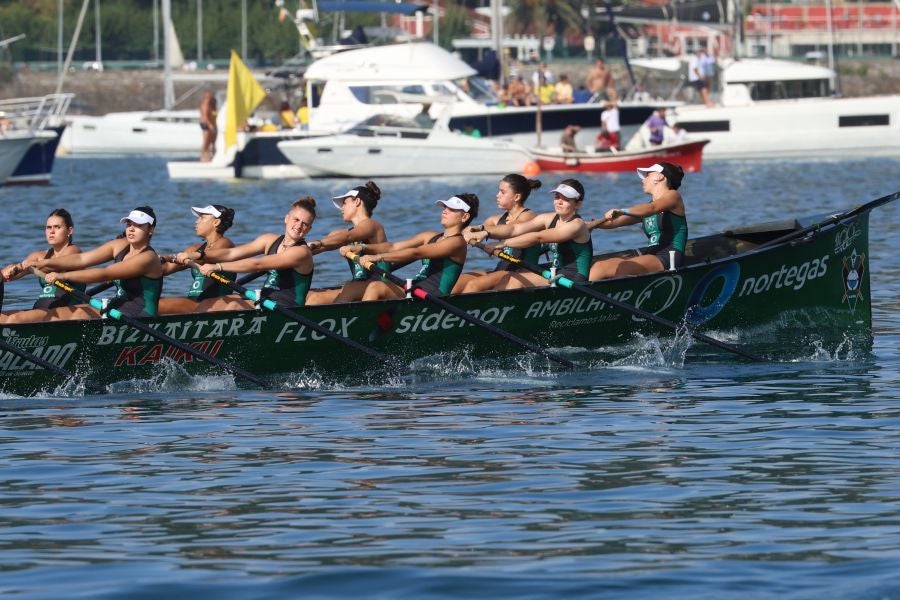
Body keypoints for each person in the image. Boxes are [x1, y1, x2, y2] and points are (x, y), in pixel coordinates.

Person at [3, 207, 163, 322]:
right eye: (129, 225)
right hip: (117, 306)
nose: (131, 229)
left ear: (151, 230)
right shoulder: (119, 245)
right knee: (76, 312)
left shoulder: (148, 258)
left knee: (78, 313)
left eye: (138, 226)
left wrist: (62, 275)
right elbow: (82, 259)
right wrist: (37, 263)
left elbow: (105, 274)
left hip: (140, 315)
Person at [177, 198, 318, 311]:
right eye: (296, 219)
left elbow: (257, 264)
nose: (299, 226)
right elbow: (231, 253)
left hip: (285, 308)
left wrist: (217, 267)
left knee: (234, 306)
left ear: (309, 229)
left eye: (305, 224)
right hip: (265, 300)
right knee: (211, 303)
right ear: (286, 218)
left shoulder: (301, 252)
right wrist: (197, 255)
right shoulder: (269, 239)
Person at [338, 194, 480, 300]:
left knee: (376, 287)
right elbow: (393, 246)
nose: (445, 210)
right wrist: (363, 248)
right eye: (445, 207)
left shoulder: (457, 243)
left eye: (452, 209)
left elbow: (416, 253)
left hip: (432, 297)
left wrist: (378, 257)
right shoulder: (429, 236)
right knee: (351, 287)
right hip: (413, 288)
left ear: (465, 217)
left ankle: (361, 327)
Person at [464, 179, 592, 289]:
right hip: (556, 272)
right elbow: (514, 229)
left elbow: (538, 237)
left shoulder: (577, 225)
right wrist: (482, 230)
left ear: (578, 204)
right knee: (503, 278)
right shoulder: (548, 218)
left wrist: (502, 244)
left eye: (566, 199)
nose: (559, 202)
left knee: (513, 280)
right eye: (557, 197)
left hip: (573, 278)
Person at [588, 162, 687, 280]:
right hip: (650, 256)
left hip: (669, 257)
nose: (643, 180)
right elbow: (617, 221)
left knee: (625, 267)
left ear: (660, 177)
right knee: (600, 267)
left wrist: (623, 210)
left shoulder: (673, 196)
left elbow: (652, 208)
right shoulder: (645, 210)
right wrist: (592, 224)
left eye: (647, 176)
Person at [303, 182, 389, 304]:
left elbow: (347, 237)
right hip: (358, 287)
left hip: (380, 285)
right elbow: (316, 249)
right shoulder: (342, 234)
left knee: (349, 288)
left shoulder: (372, 225)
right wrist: (293, 252)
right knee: (312, 296)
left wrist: (318, 242)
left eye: (345, 203)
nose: (341, 208)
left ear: (357, 201)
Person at [454, 175, 541, 294]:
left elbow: (511, 228)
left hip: (523, 273)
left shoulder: (529, 217)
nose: (497, 195)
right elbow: (476, 229)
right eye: (498, 191)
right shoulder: (495, 220)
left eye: (502, 192)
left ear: (516, 197)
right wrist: (466, 230)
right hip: (502, 270)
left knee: (474, 285)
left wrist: (481, 230)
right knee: (457, 282)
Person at [1, 209, 84, 323]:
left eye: (57, 227)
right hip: (41, 310)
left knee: (14, 319)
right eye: (48, 227)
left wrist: (22, 266)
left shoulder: (74, 251)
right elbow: (16, 272)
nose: (52, 231)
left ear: (69, 230)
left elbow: (55, 266)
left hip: (67, 311)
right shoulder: (38, 256)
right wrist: (8, 271)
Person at [157, 205, 237, 315]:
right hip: (194, 304)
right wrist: (149, 262)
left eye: (202, 218)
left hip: (214, 306)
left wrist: (179, 257)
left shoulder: (225, 244)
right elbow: (166, 269)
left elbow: (206, 258)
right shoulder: (194, 248)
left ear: (216, 222)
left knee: (158, 305)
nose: (196, 222)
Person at [199, 91, 218, 162]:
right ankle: (203, 158)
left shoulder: (213, 104)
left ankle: (212, 156)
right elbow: (205, 117)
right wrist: (211, 126)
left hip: (213, 125)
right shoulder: (206, 104)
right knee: (206, 142)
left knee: (213, 142)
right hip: (206, 125)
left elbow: (214, 115)